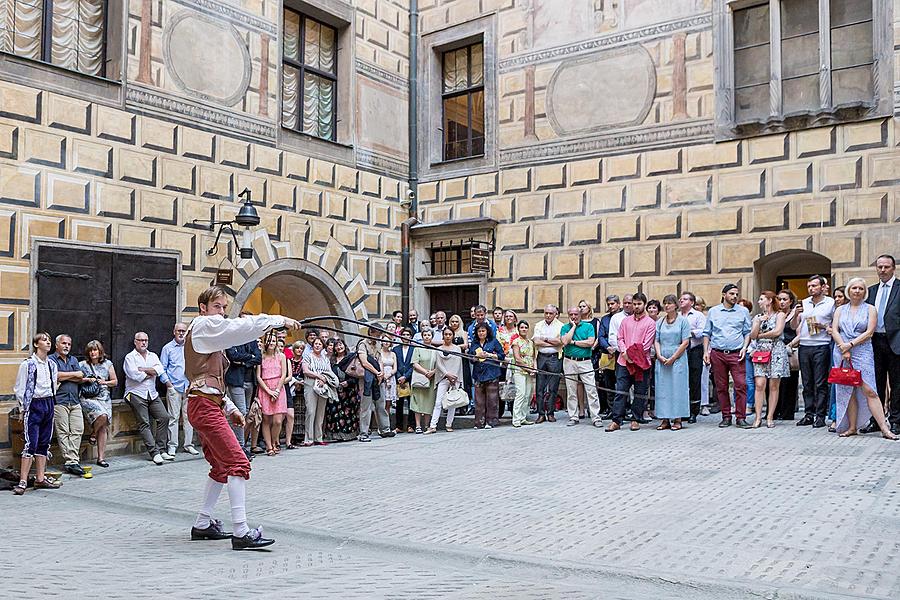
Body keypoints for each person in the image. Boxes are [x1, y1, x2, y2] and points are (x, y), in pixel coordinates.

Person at [184, 285, 300, 550]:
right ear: (203, 308)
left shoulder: (208, 333)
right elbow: (240, 329)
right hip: (203, 406)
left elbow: (205, 379)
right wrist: (278, 320)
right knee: (238, 463)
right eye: (217, 307)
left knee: (221, 467)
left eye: (224, 308)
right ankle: (241, 531)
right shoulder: (204, 326)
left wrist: (229, 407)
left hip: (205, 404)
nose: (222, 312)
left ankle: (202, 524)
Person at [830, 277, 897, 440]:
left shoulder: (870, 309)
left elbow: (869, 332)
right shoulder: (840, 310)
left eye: (860, 288)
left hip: (862, 350)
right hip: (841, 350)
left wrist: (850, 345)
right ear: (849, 291)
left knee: (870, 390)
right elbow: (835, 330)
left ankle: (885, 428)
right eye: (854, 288)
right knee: (848, 390)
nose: (857, 291)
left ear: (865, 292)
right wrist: (843, 347)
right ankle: (852, 427)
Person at [12, 332, 62, 495]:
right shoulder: (28, 364)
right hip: (34, 404)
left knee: (44, 443)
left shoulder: (52, 365)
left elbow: (53, 384)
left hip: (48, 402)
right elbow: (20, 387)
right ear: (36, 344)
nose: (48, 343)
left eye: (49, 340)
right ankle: (23, 480)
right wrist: (22, 408)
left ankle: (40, 478)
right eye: (44, 340)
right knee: (30, 444)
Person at [703, 284, 752, 428]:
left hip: (737, 353)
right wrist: (706, 352)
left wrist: (745, 347)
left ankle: (741, 417)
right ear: (724, 294)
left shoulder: (743, 311)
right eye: (731, 294)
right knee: (721, 386)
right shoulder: (713, 311)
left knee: (741, 385)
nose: (735, 297)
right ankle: (726, 416)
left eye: (736, 294)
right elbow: (707, 333)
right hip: (717, 353)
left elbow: (747, 332)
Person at [861, 255, 900, 436]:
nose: (882, 270)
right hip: (874, 342)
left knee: (897, 384)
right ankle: (876, 420)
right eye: (879, 267)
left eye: (886, 267)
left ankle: (896, 420)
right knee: (874, 384)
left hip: (896, 342)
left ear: (893, 268)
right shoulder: (871, 291)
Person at [792, 275, 835, 428]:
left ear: (823, 287)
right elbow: (793, 326)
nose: (811, 288)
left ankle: (820, 416)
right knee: (807, 382)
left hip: (821, 345)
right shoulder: (803, 303)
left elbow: (835, 326)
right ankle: (808, 414)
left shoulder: (831, 303)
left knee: (820, 382)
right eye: (809, 286)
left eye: (814, 286)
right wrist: (796, 314)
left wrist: (823, 326)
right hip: (804, 345)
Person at [608, 293, 655, 431]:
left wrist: (631, 356)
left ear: (644, 304)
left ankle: (635, 419)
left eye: (639, 304)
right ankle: (616, 420)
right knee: (621, 391)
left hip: (641, 363)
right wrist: (624, 353)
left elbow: (646, 345)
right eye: (634, 304)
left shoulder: (650, 323)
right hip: (623, 362)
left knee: (640, 393)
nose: (636, 306)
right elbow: (620, 338)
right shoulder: (625, 321)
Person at [124, 332, 172, 464]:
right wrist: (151, 372)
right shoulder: (130, 357)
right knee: (144, 423)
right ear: (135, 342)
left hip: (152, 393)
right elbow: (134, 375)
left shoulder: (153, 356)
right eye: (140, 340)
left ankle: (162, 450)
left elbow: (160, 370)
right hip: (136, 393)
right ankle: (154, 453)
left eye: (145, 340)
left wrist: (143, 369)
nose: (143, 342)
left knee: (164, 417)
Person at [749, 291, 789, 429]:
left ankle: (770, 416)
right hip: (761, 351)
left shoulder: (780, 315)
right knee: (759, 384)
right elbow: (752, 335)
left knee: (774, 385)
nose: (759, 302)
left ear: (770, 300)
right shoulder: (757, 317)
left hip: (776, 350)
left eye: (761, 299)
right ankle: (758, 417)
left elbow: (778, 332)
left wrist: (761, 335)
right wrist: (758, 323)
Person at [49, 334, 87, 476]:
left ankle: (72, 460)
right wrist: (74, 374)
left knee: (78, 430)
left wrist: (65, 376)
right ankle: (71, 461)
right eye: (64, 343)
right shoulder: (51, 360)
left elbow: (80, 377)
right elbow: (55, 376)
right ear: (56, 345)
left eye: (69, 344)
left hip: (75, 400)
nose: (66, 346)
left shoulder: (74, 359)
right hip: (60, 401)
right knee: (63, 431)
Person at [226, 314, 262, 454]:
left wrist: (244, 361)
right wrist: (249, 358)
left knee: (245, 413)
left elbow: (258, 358)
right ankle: (239, 448)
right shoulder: (233, 338)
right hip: (236, 381)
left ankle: (237, 445)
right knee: (240, 412)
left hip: (249, 381)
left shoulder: (252, 339)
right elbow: (233, 356)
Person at [560, 305, 602, 427]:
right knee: (571, 390)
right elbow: (564, 341)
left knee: (591, 389)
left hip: (585, 361)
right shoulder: (565, 327)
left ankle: (595, 417)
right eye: (571, 315)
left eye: (576, 314)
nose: (573, 317)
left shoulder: (588, 326)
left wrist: (574, 342)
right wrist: (573, 327)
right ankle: (573, 416)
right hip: (569, 361)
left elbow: (590, 342)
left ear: (580, 314)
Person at [161, 323, 198, 456]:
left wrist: (192, 384)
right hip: (174, 388)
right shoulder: (167, 348)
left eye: (183, 331)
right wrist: (168, 385)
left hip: (188, 387)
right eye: (179, 331)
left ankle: (188, 445)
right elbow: (162, 369)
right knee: (173, 417)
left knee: (189, 417)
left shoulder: (190, 348)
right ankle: (172, 445)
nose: (181, 333)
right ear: (174, 332)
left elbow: (194, 366)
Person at [654, 295, 690, 430]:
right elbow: (656, 340)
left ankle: (678, 419)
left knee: (677, 388)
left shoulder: (683, 321)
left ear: (676, 305)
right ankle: (664, 419)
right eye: (665, 303)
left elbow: (685, 341)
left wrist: (674, 357)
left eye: (669, 303)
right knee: (663, 388)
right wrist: (659, 355)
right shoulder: (660, 322)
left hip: (678, 358)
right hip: (662, 358)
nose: (667, 306)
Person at [79, 340, 117, 468]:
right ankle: (94, 434)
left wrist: (104, 382)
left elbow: (115, 381)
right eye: (90, 350)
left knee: (103, 427)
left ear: (100, 351)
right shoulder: (82, 365)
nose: (92, 353)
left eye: (95, 350)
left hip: (104, 397)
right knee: (103, 416)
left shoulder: (108, 364)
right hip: (89, 398)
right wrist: (86, 379)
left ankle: (101, 458)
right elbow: (76, 379)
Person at [356, 329, 393, 442]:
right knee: (366, 406)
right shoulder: (363, 344)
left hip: (377, 378)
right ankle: (364, 433)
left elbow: (380, 360)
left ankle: (385, 429)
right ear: (371, 333)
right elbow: (364, 362)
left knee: (380, 403)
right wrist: (376, 372)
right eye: (377, 334)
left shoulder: (377, 344)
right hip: (366, 378)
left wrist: (381, 373)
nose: (378, 337)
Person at [256, 331, 288, 455]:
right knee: (266, 419)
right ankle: (269, 446)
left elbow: (284, 374)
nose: (271, 343)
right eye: (269, 341)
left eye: (274, 341)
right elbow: (258, 376)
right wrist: (268, 391)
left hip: (278, 388)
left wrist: (277, 390)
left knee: (278, 421)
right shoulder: (261, 357)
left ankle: (275, 441)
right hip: (265, 388)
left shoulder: (282, 356)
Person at [426, 327, 464, 433]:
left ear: (453, 336)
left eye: (450, 334)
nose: (448, 336)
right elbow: (439, 364)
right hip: (443, 377)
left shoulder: (457, 349)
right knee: (438, 402)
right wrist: (447, 374)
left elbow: (458, 364)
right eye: (446, 334)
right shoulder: (439, 349)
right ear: (443, 335)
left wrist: (453, 377)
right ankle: (433, 426)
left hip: (454, 379)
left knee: (453, 403)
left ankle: (449, 424)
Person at [469, 323, 505, 429]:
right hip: (478, 374)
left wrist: (489, 355)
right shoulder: (475, 343)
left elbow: (501, 356)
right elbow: (470, 358)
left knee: (492, 400)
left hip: (492, 373)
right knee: (479, 401)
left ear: (487, 332)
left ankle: (491, 421)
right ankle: (479, 422)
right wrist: (476, 356)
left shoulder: (493, 341)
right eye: (479, 331)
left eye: (483, 331)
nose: (481, 333)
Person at [532, 304, 563, 423]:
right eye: (546, 313)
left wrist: (544, 339)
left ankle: (550, 413)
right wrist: (552, 342)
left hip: (554, 357)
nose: (548, 315)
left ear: (555, 314)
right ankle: (540, 414)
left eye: (551, 313)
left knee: (553, 387)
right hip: (541, 357)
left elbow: (560, 342)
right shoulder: (538, 325)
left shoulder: (561, 326)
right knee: (540, 387)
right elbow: (536, 341)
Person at [679, 292, 706, 423]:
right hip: (681, 351)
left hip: (695, 350)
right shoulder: (677, 316)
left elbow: (704, 331)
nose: (681, 301)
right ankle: (683, 410)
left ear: (692, 302)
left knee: (694, 381)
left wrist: (689, 332)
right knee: (682, 381)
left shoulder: (698, 315)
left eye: (684, 299)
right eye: (681, 299)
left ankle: (694, 411)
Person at [326, 339, 360, 442]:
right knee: (335, 412)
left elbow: (357, 373)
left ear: (344, 346)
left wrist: (348, 382)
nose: (339, 347)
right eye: (336, 346)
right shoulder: (331, 360)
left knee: (349, 412)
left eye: (340, 344)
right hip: (335, 389)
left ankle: (349, 434)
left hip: (349, 390)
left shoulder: (351, 358)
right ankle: (336, 435)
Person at [775, 290, 801, 421]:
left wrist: (790, 345)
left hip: (790, 350)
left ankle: (787, 412)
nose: (782, 302)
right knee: (776, 382)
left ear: (791, 301)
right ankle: (776, 410)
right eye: (779, 299)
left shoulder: (795, 315)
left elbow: (800, 333)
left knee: (789, 383)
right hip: (777, 352)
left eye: (785, 299)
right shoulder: (776, 315)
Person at [301, 336, 331, 447]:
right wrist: (319, 376)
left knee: (320, 412)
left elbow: (329, 373)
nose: (317, 345)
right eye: (315, 344)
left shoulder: (325, 358)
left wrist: (325, 380)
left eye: (320, 344)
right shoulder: (308, 356)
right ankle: (308, 438)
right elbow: (306, 370)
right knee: (311, 411)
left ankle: (319, 437)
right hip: (310, 384)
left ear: (323, 346)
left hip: (322, 386)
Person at [596, 295, 620, 419]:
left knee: (622, 383)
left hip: (621, 354)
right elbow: (601, 336)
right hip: (607, 354)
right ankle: (611, 409)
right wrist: (608, 347)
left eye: (613, 304)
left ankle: (623, 409)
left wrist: (616, 348)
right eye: (609, 304)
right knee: (608, 382)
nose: (610, 306)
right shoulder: (605, 319)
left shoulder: (624, 317)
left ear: (618, 304)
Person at [410, 328, 437, 433]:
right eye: (425, 335)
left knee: (429, 402)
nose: (427, 337)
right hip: (419, 378)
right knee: (417, 402)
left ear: (432, 336)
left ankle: (427, 425)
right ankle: (418, 426)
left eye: (429, 335)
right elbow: (415, 363)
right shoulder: (417, 348)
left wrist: (433, 372)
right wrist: (425, 372)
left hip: (431, 379)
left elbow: (438, 364)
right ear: (422, 336)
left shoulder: (435, 350)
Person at [510, 320, 536, 427]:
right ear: (518, 329)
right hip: (519, 370)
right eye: (522, 327)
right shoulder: (516, 342)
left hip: (529, 371)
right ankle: (516, 419)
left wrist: (535, 369)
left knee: (528, 395)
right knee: (520, 393)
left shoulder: (531, 342)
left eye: (526, 327)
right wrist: (529, 369)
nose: (524, 329)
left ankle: (523, 417)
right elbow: (517, 359)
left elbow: (534, 357)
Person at [393, 328, 416, 433]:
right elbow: (395, 364)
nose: (406, 336)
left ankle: (411, 425)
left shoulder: (414, 349)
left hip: (410, 378)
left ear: (411, 337)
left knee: (411, 403)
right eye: (404, 334)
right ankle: (399, 426)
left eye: (408, 334)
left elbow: (414, 365)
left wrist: (406, 377)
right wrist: (399, 376)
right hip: (398, 379)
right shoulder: (396, 349)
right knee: (399, 403)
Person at [378, 334, 398, 418]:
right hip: (381, 377)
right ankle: (380, 424)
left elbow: (395, 368)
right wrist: (384, 376)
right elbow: (379, 365)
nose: (386, 343)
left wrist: (389, 375)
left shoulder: (393, 354)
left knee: (388, 402)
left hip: (391, 377)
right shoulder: (379, 353)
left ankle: (387, 423)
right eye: (385, 341)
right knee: (381, 402)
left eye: (388, 341)